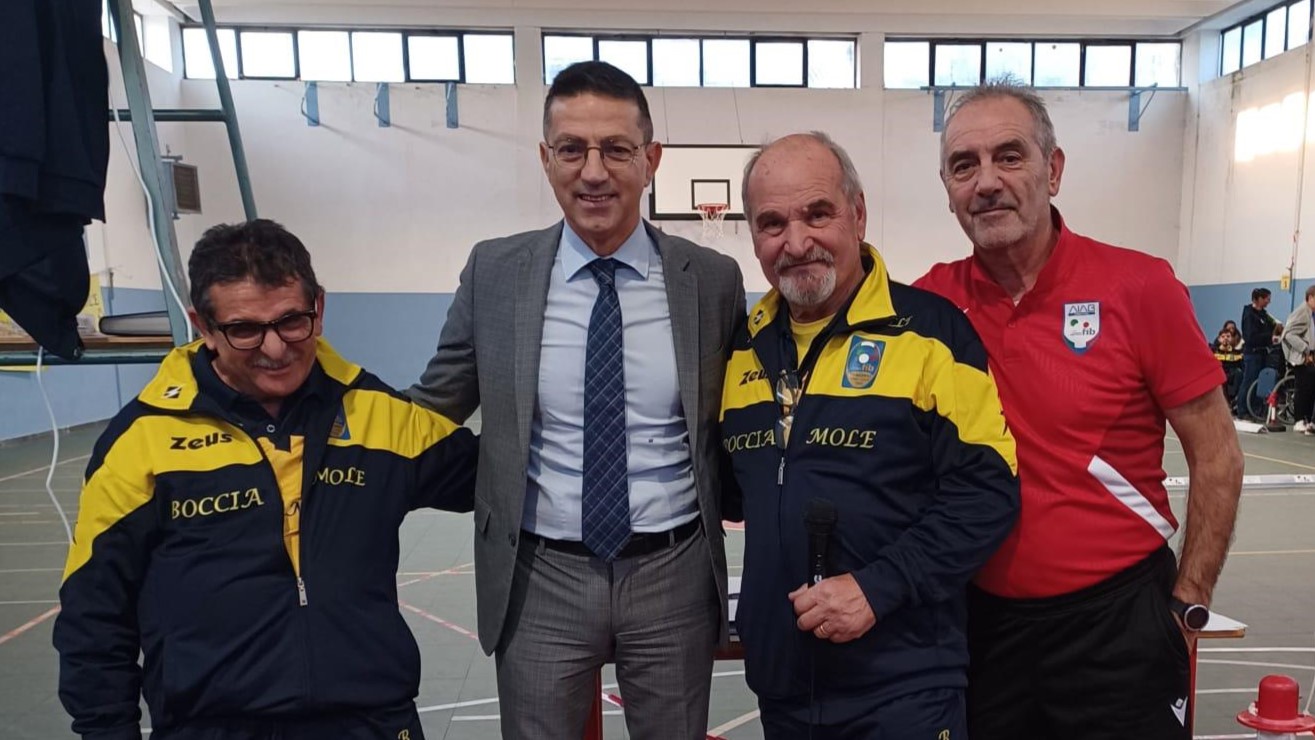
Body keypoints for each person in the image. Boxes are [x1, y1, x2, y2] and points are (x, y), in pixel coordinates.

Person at [407, 61, 745, 740]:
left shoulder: (710, 279)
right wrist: (323, 413)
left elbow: (740, 415)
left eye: (616, 149)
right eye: (571, 149)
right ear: (545, 159)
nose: (593, 172)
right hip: (540, 576)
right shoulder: (495, 272)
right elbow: (432, 403)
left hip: (673, 571)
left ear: (651, 160)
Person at [53, 220, 478, 739]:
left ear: (319, 308)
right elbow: (94, 611)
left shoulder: (379, 416)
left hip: (370, 722)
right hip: (212, 728)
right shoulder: (142, 441)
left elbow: (508, 480)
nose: (275, 349)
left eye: (292, 321)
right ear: (203, 326)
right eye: (245, 330)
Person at [915, 80, 1245, 739]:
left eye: (1009, 156)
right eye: (963, 165)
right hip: (983, 630)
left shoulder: (1139, 287)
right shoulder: (929, 306)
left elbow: (1217, 455)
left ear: (1053, 170)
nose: (986, 182)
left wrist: (1188, 603)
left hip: (1120, 627)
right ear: (948, 190)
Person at [719, 131, 1019, 738]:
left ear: (857, 214)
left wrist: (879, 588)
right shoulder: (741, 347)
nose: (795, 242)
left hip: (903, 689)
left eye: (817, 214)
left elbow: (988, 492)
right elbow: (733, 491)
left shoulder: (932, 335)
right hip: (784, 691)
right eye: (772, 223)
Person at [1236, 287, 1277, 417]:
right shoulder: (1249, 315)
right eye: (1266, 299)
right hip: (1252, 354)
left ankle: (1255, 409)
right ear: (1258, 299)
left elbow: (1274, 325)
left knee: (1259, 382)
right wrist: (1269, 337)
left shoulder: (1264, 315)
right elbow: (1250, 337)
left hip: (1263, 353)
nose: (1268, 302)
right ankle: (1242, 410)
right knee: (1249, 381)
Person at [1281, 285, 1315, 433]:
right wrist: (1305, 349)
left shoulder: (1311, 313)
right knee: (1303, 389)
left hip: (1310, 356)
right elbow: (1288, 335)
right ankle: (1299, 420)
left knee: (1310, 389)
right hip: (1301, 358)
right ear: (1310, 297)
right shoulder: (1302, 312)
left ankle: (1308, 420)